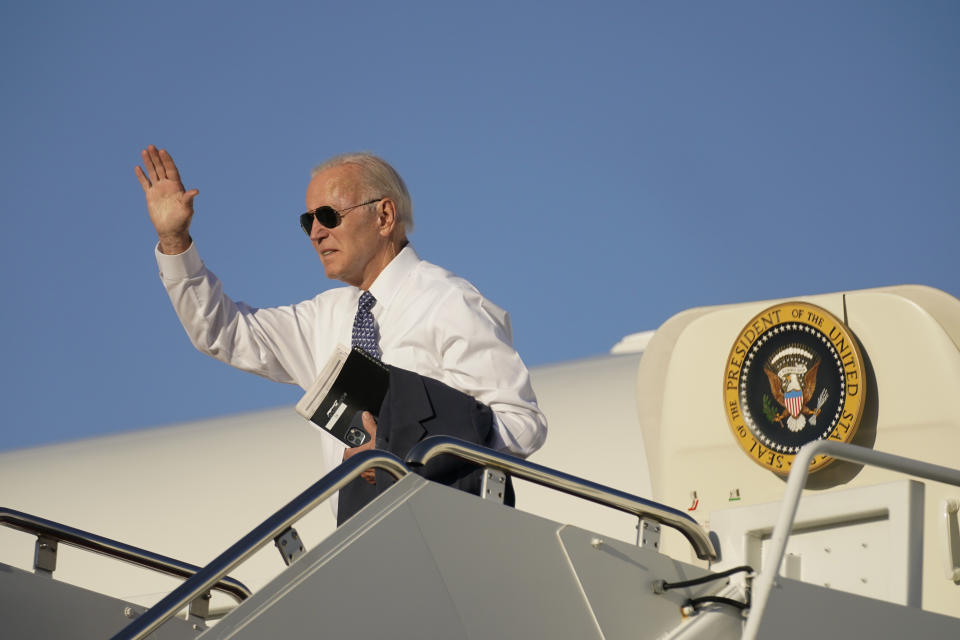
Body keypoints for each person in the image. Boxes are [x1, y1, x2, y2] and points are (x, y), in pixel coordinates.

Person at [135, 145, 547, 521]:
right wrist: (175, 240)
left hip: (444, 530)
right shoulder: (325, 317)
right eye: (308, 220)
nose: (316, 232)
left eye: (329, 216)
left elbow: (521, 424)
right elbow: (222, 331)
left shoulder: (448, 302)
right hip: (365, 545)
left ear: (384, 216)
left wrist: (402, 447)